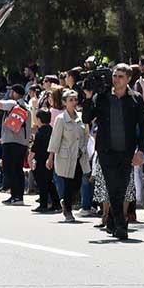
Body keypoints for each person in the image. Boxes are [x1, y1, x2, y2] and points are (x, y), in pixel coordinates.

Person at [82, 63, 144, 240]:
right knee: (113, 186)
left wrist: (141, 151)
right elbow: (86, 118)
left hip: (127, 151)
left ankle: (112, 219)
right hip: (106, 151)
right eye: (114, 75)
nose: (116, 79)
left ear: (128, 79)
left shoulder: (135, 99)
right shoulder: (102, 97)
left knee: (120, 187)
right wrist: (89, 97)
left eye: (120, 76)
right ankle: (121, 225)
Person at [47, 90, 91, 222]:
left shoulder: (81, 118)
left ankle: (66, 202)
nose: (74, 102)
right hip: (66, 156)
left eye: (75, 99)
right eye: (71, 100)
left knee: (78, 182)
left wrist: (83, 149)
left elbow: (86, 135)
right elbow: (55, 139)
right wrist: (50, 157)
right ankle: (68, 210)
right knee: (68, 183)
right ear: (64, 103)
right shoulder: (61, 119)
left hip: (79, 156)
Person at [0, 83, 30, 205]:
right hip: (22, 142)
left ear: (15, 93)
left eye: (11, 92)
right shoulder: (27, 106)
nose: (9, 94)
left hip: (11, 142)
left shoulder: (13, 104)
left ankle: (16, 196)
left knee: (10, 169)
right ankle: (17, 196)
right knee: (17, 169)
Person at [30, 110, 60, 214]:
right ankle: (56, 203)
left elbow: (35, 147)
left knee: (42, 183)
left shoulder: (40, 132)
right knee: (49, 182)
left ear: (39, 119)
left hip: (41, 160)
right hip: (50, 159)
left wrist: (30, 158)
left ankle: (43, 204)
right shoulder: (52, 130)